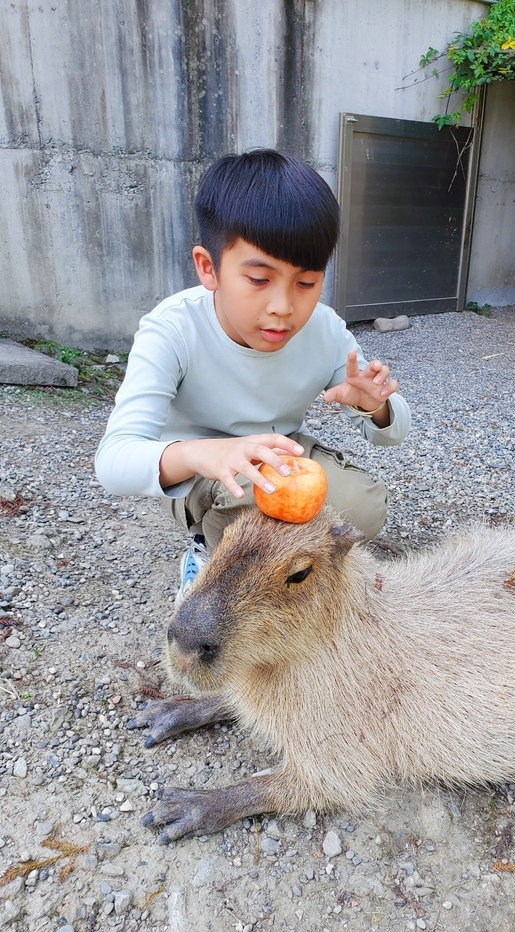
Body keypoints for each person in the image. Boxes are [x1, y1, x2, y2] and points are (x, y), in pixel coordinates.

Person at [95, 149, 411, 602]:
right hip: (201, 471)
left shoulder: (323, 329)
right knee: (244, 493)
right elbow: (114, 461)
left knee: (365, 508)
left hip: (283, 453)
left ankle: (278, 567)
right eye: (260, 280)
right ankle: (208, 555)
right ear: (210, 268)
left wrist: (374, 405)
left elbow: (394, 433)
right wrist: (207, 452)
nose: (284, 306)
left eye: (305, 283)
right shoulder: (172, 330)